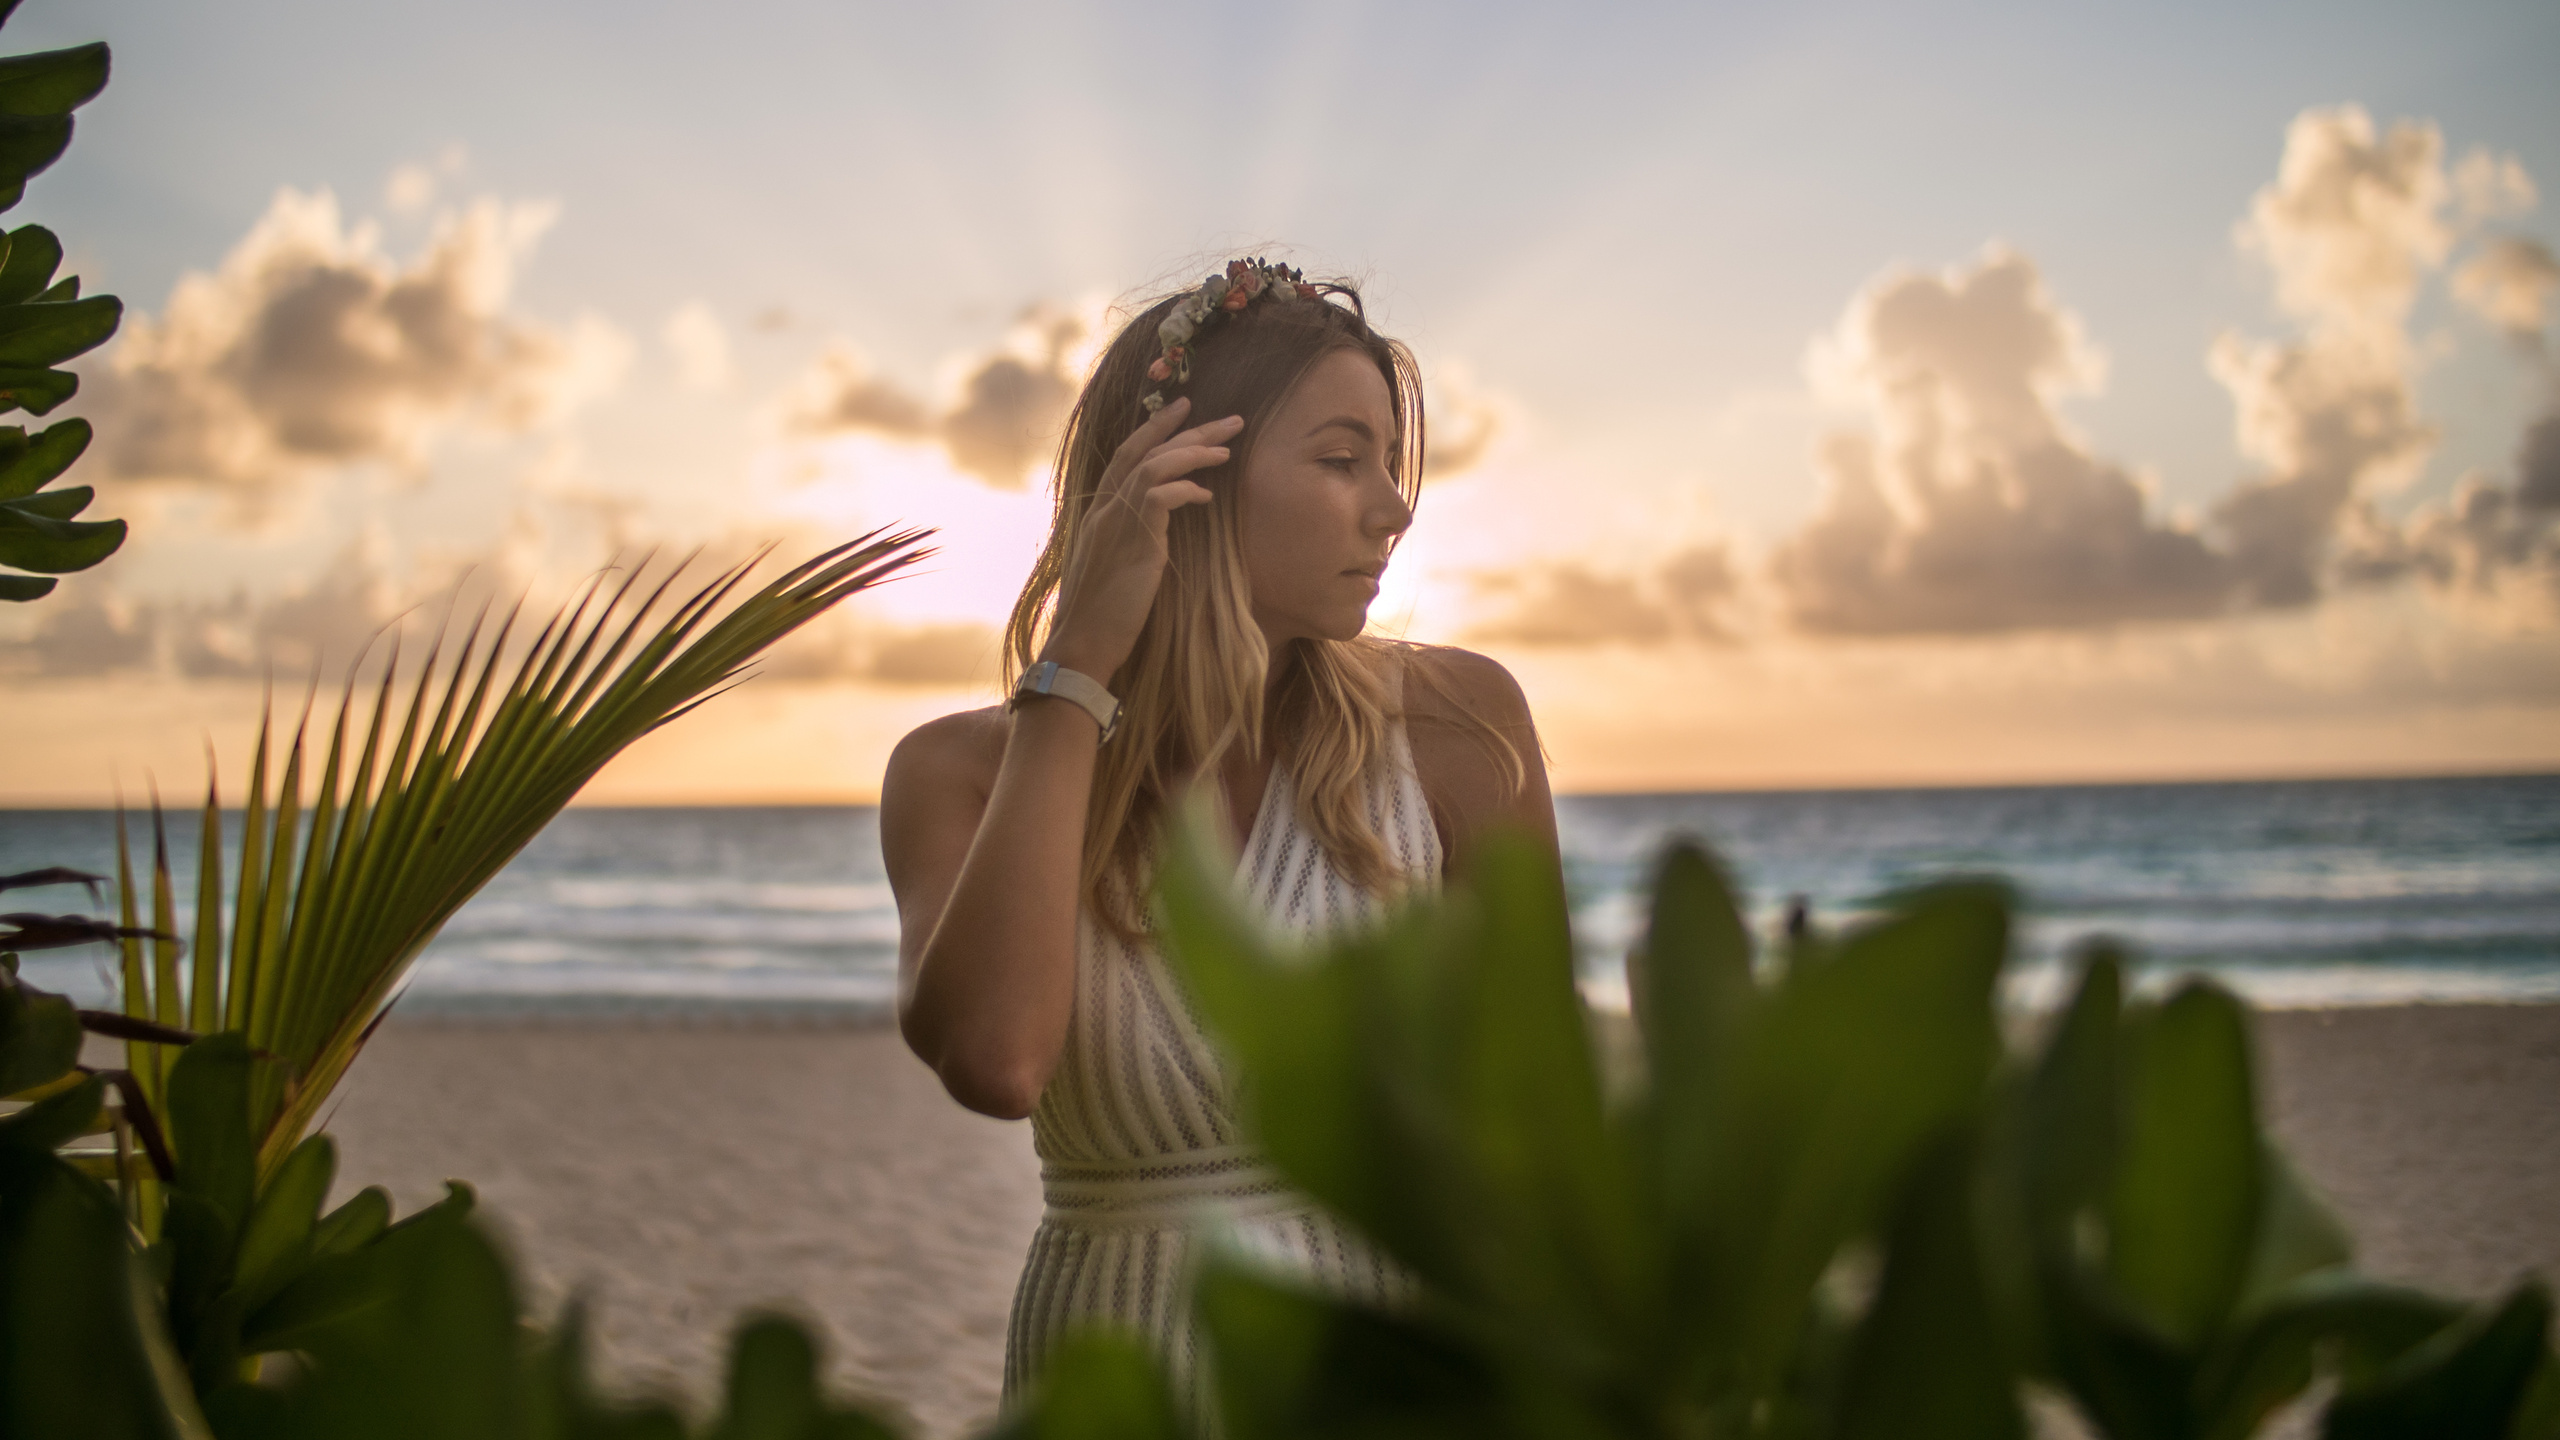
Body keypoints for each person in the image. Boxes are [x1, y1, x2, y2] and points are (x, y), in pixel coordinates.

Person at [879, 259, 1558, 1420]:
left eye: (1390, 466)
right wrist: (1076, 671)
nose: (1391, 508)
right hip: (1110, 1380)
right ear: (1181, 477)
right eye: (1343, 460)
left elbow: (1542, 1130)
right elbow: (997, 1060)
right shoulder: (959, 774)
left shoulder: (1457, 730)